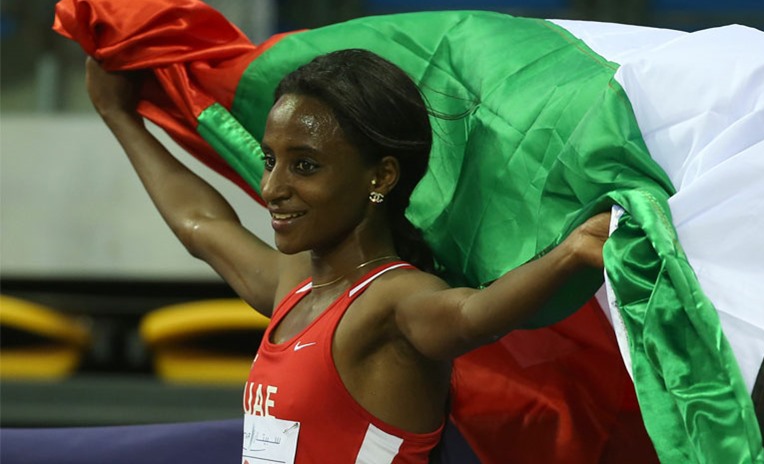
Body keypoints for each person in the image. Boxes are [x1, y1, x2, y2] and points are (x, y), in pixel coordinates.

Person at [85, 48, 610, 464]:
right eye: (271, 160)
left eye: (305, 166)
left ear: (379, 177)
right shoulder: (295, 291)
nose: (271, 188)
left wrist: (572, 255)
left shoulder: (395, 301)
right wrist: (120, 117)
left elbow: (473, 316)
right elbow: (201, 226)